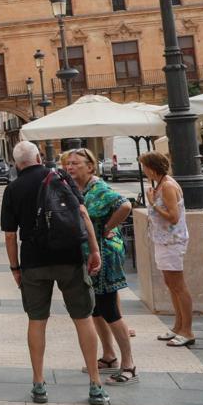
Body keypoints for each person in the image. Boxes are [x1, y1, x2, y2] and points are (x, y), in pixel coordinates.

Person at [2, 140, 107, 405]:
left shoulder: (13, 188)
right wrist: (94, 250)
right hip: (69, 256)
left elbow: (10, 235)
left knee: (37, 321)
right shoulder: (59, 176)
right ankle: (95, 384)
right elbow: (82, 214)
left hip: (33, 261)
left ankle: (39, 383)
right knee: (83, 318)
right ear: (39, 156)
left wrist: (15, 268)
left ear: (17, 163)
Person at [63, 149, 136, 384]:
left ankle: (129, 364)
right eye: (68, 164)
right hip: (89, 257)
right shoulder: (78, 189)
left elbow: (125, 206)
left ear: (90, 167)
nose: (70, 167)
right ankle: (108, 355)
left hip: (105, 255)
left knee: (110, 309)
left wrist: (107, 227)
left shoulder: (99, 188)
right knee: (95, 309)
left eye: (76, 163)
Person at [141, 151, 194, 347]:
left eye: (144, 167)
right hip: (164, 241)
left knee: (178, 286)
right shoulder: (162, 184)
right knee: (171, 285)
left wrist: (153, 203)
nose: (143, 170)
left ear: (152, 167)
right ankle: (178, 326)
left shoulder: (168, 186)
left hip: (172, 242)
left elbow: (173, 217)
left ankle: (187, 330)